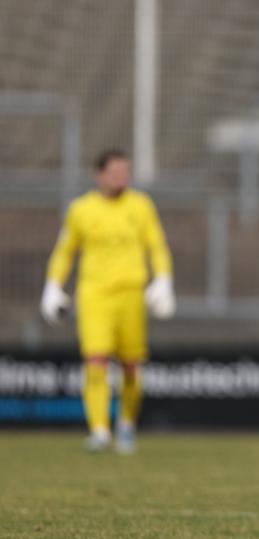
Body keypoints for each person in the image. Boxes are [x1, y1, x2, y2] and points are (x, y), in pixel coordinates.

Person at [40, 149, 175, 454]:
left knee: (131, 366)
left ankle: (126, 425)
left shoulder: (141, 205)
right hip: (95, 295)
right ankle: (99, 430)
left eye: (125, 172)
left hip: (131, 294)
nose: (121, 178)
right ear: (99, 174)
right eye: (115, 172)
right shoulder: (81, 209)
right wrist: (53, 285)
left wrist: (163, 279)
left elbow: (157, 245)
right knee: (95, 360)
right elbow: (65, 251)